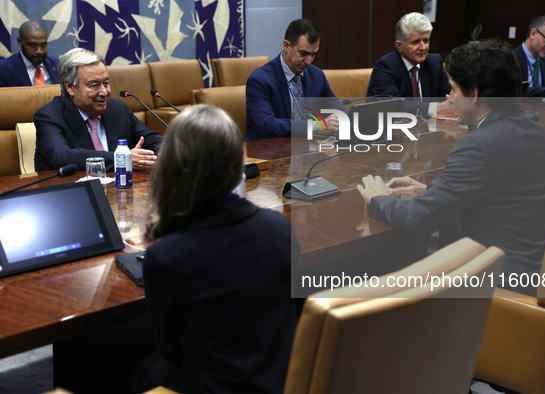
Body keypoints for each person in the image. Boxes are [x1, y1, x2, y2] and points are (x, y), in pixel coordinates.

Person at [357, 40, 545, 296]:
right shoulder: (538, 133)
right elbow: (501, 195)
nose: (450, 98)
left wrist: (380, 200)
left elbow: (417, 220)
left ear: (474, 94)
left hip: (496, 288)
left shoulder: (479, 144)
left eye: (453, 90)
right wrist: (431, 190)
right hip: (533, 277)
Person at [129, 105, 298, 393]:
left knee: (138, 370)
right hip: (278, 381)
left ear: (173, 167)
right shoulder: (279, 227)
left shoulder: (166, 255)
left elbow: (171, 352)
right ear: (236, 164)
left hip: (212, 385)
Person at [34, 48, 162, 172]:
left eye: (106, 83)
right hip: (72, 191)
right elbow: (62, 156)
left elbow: (150, 139)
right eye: (94, 85)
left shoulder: (117, 108)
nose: (104, 92)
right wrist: (121, 159)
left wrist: (166, 150)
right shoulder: (50, 116)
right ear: (70, 87)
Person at [245, 18, 340, 141]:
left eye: (313, 54)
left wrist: (346, 120)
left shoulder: (317, 75)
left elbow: (337, 110)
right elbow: (268, 126)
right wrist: (315, 126)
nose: (309, 61)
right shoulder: (260, 80)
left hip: (306, 151)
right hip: (266, 152)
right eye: (303, 53)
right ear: (287, 46)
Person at [366, 12, 452, 117]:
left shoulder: (434, 62)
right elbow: (393, 106)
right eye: (416, 42)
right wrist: (436, 108)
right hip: (391, 129)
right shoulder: (385, 66)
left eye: (425, 41)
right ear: (399, 46)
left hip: (432, 128)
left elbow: (448, 96)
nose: (423, 47)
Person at [0, 21, 59, 87]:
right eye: (32, 45)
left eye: (43, 45)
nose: (39, 51)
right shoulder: (3, 69)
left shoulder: (58, 65)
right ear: (19, 41)